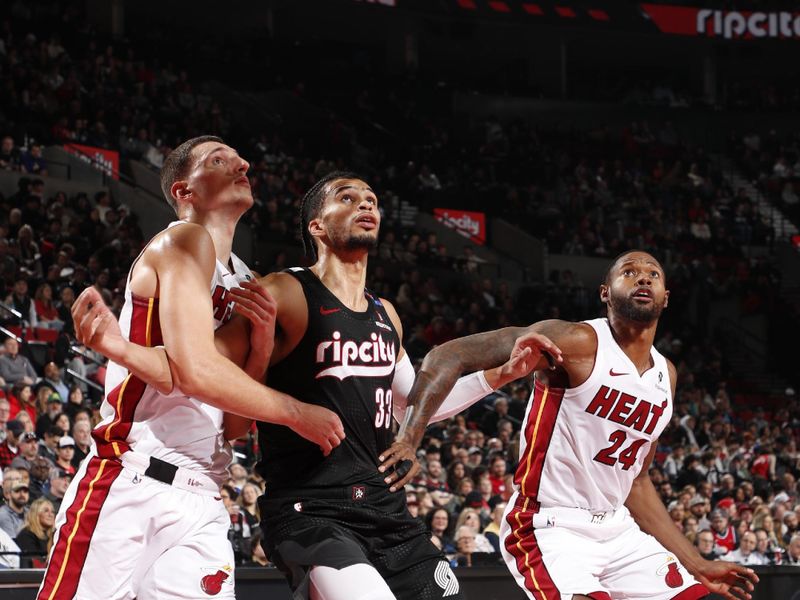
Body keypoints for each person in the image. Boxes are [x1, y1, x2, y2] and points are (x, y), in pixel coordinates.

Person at [81, 171, 554, 600]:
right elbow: (196, 365)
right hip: (312, 508)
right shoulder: (282, 290)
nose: (366, 204)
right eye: (347, 198)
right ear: (318, 227)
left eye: (371, 198)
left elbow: (414, 401)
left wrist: (497, 376)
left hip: (385, 509)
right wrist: (118, 347)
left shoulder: (384, 312)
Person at [38, 136, 345, 600]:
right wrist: (299, 414)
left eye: (240, 157)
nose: (242, 162)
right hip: (130, 477)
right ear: (185, 191)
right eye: (219, 160)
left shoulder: (246, 279)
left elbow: (236, 423)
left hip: (203, 490)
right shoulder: (182, 239)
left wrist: (259, 349)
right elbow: (194, 371)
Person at [390, 251, 759, 600]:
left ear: (665, 298)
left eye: (653, 274)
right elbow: (448, 354)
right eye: (629, 272)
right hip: (551, 524)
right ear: (605, 293)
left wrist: (697, 563)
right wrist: (409, 437)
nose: (642, 277)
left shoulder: (667, 375)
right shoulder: (577, 341)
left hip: (618, 529)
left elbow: (638, 482)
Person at [15, 497, 55, 568]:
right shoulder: (26, 534)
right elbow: (34, 564)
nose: (50, 514)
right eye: (46, 511)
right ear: (36, 514)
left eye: (52, 512)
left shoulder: (54, 535)